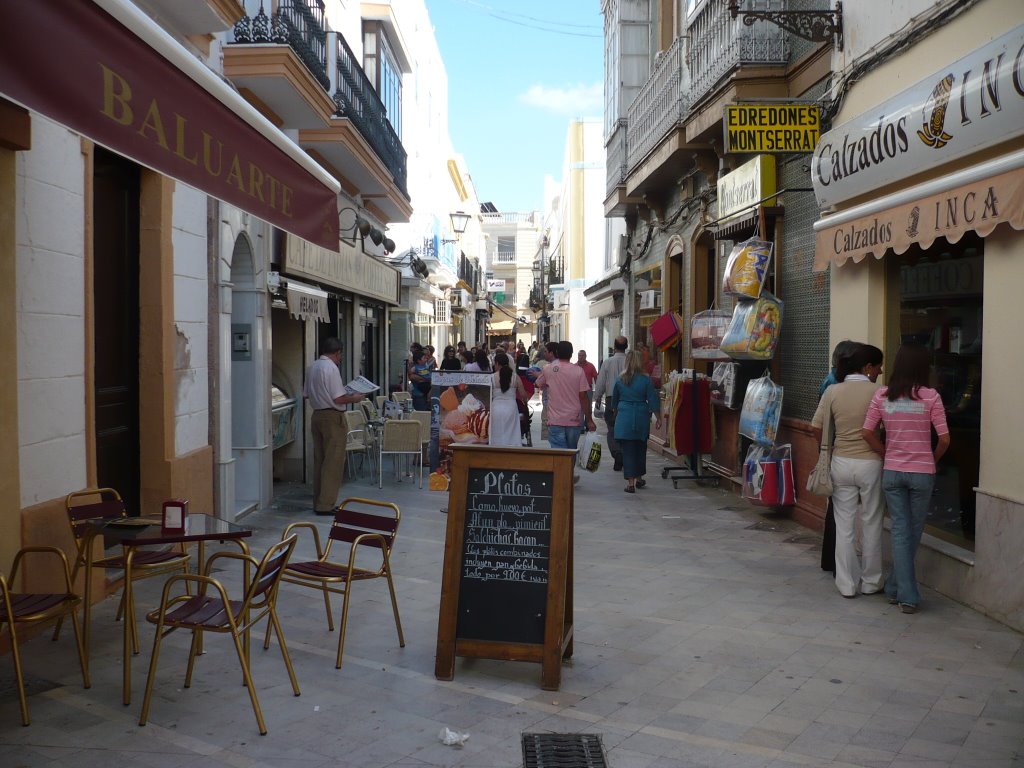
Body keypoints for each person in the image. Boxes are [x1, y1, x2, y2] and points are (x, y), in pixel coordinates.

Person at [862, 343, 950, 614]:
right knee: (912, 531)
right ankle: (908, 596)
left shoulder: (882, 396)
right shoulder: (931, 396)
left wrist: (886, 453)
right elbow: (945, 439)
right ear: (923, 368)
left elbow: (866, 432)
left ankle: (894, 587)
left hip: (892, 472)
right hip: (922, 473)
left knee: (901, 530)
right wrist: (930, 459)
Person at [812, 343, 885, 598]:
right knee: (872, 521)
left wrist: (827, 452)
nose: (880, 371)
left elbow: (816, 427)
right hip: (871, 462)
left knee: (843, 525)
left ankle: (846, 583)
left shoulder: (833, 390)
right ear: (866, 367)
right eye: (878, 366)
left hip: (840, 461)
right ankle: (872, 581)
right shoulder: (879, 392)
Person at [303, 337, 365, 514]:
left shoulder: (312, 366)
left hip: (317, 415)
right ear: (338, 353)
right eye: (341, 354)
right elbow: (338, 398)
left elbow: (306, 394)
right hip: (332, 416)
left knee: (320, 460)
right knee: (333, 462)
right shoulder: (331, 368)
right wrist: (354, 397)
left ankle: (319, 501)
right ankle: (326, 504)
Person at [611, 350, 661, 493]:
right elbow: (652, 400)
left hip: (625, 417)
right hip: (641, 416)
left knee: (628, 450)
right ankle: (639, 478)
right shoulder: (646, 380)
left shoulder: (620, 379)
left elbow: (614, 401)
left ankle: (631, 483)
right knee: (640, 448)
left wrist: (616, 413)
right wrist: (658, 417)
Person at [535, 340, 596, 455]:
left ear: (557, 352)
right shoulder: (578, 371)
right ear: (572, 354)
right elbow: (583, 397)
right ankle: (568, 473)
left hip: (555, 420)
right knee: (571, 452)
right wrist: (589, 420)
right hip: (574, 420)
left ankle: (561, 473)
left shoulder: (548, 369)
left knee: (559, 454)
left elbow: (537, 384)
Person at [594, 336, 629, 471]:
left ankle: (617, 455)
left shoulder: (608, 362)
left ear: (614, 347)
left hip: (611, 398)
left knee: (612, 429)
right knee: (625, 430)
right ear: (626, 346)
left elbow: (601, 381)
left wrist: (597, 397)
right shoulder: (630, 362)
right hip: (627, 399)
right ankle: (624, 456)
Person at [489, 352, 527, 447]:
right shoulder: (515, 377)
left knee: (496, 432)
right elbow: (524, 395)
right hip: (511, 408)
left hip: (495, 408)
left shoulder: (492, 377)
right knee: (512, 434)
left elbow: (487, 395)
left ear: (497, 363)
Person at [408, 347, 432, 411]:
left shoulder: (426, 366)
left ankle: (428, 399)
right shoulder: (416, 367)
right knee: (421, 412)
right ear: (419, 360)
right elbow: (410, 374)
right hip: (418, 394)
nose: (426, 359)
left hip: (424, 393)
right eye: (424, 358)